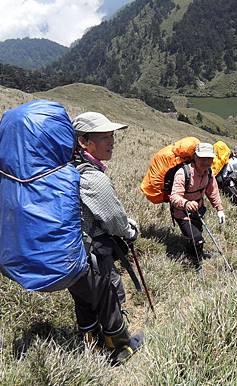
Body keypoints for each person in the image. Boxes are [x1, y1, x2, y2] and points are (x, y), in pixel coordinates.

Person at [70, 111, 144, 364]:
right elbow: (114, 219)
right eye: (104, 137)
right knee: (111, 296)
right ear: (83, 141)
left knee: (84, 299)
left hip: (70, 252)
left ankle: (91, 344)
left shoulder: (69, 170)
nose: (112, 141)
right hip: (93, 255)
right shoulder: (92, 177)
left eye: (112, 135)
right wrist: (131, 230)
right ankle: (119, 348)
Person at [169, 142, 225, 270]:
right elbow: (174, 197)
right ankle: (196, 263)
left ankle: (195, 253)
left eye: (209, 159)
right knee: (197, 238)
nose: (206, 162)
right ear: (195, 157)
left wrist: (219, 209)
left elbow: (213, 192)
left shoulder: (209, 173)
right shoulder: (183, 173)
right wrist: (186, 203)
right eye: (203, 158)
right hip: (182, 213)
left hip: (198, 210)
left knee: (197, 233)